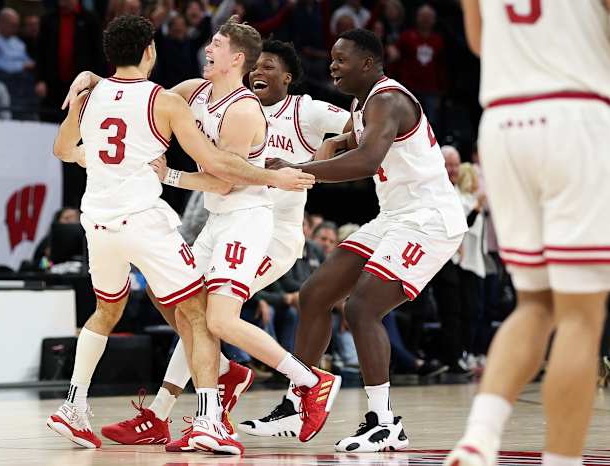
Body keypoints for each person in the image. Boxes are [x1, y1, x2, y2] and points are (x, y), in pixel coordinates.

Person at [46, 14, 314, 451]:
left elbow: (61, 149)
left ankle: (74, 408)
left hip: (96, 221)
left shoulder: (91, 95)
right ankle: (213, 414)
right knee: (200, 313)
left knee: (106, 313)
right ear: (150, 51)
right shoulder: (165, 102)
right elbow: (219, 165)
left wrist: (94, 155)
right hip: (145, 221)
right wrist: (276, 177)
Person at [100, 38, 351, 447]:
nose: (262, 73)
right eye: (260, 66)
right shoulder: (196, 91)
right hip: (220, 218)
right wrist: (98, 84)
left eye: (270, 66)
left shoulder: (287, 109)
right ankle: (209, 390)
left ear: (240, 60)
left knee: (217, 319)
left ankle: (306, 382)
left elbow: (225, 176)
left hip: (265, 230)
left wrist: (323, 160)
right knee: (186, 310)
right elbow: (145, 98)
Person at [252, 28, 467, 452]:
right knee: (315, 293)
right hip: (394, 217)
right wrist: (333, 143)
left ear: (368, 63)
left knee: (363, 307)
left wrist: (303, 169)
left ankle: (384, 422)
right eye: (331, 58)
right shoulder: (363, 104)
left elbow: (369, 160)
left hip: (428, 220)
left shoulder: (388, 99)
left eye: (341, 59)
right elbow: (358, 140)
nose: (332, 66)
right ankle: (299, 399)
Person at [447, 3, 610, 466]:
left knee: (535, 303)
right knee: (580, 315)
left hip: (502, 122)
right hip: (575, 113)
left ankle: (479, 438)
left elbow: (479, 41)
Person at [0, 8, 35, 75]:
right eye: (13, 25)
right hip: (0, 77)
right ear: (2, 22)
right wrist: (21, 66)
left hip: (21, 76)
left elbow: (27, 60)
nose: (16, 29)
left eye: (17, 26)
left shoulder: (18, 42)